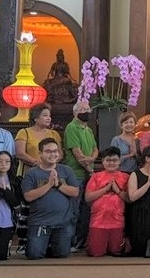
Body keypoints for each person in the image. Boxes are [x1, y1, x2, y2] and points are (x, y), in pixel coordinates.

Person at [21, 138, 80, 259]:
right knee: (34, 255)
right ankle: (43, 244)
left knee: (62, 254)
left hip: (62, 222)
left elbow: (75, 192)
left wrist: (58, 185)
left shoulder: (66, 170)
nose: (53, 154)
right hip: (40, 222)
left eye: (55, 151)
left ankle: (48, 244)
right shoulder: (32, 173)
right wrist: (48, 185)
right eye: (48, 151)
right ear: (40, 153)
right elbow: (28, 196)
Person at [64, 100, 98, 249]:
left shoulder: (88, 129)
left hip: (88, 174)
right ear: (75, 112)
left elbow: (96, 150)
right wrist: (90, 169)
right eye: (83, 109)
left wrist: (91, 159)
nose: (86, 112)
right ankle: (70, 242)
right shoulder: (71, 127)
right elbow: (78, 154)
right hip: (76, 174)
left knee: (86, 210)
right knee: (74, 209)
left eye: (88, 109)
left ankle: (81, 240)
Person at [85, 147, 129, 257]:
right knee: (96, 253)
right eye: (108, 160)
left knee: (116, 252)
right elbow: (88, 197)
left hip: (118, 221)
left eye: (114, 160)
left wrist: (117, 190)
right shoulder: (96, 177)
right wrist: (106, 188)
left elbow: (129, 198)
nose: (111, 163)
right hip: (98, 221)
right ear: (103, 161)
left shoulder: (126, 177)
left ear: (119, 161)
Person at [14, 104, 62, 175]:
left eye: (49, 116)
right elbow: (20, 154)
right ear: (35, 118)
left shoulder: (54, 134)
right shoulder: (24, 132)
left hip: (50, 173)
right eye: (45, 115)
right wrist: (38, 164)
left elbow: (60, 154)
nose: (49, 118)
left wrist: (49, 164)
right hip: (28, 173)